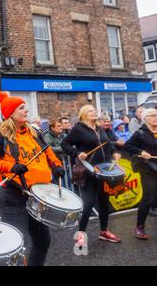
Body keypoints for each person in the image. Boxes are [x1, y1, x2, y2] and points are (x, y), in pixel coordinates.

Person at [0, 92, 64, 266]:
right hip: (13, 197)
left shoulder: (34, 132)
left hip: (37, 196)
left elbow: (46, 150)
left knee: (43, 241)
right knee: (18, 245)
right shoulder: (2, 136)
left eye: (25, 106)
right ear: (10, 113)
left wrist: (56, 165)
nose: (26, 110)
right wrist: (10, 167)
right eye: (21, 107)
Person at [61, 105, 122, 247]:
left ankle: (104, 231)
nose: (94, 112)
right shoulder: (78, 129)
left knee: (104, 202)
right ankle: (80, 235)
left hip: (104, 171)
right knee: (88, 204)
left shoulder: (100, 128)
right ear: (83, 115)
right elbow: (64, 144)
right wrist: (77, 153)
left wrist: (114, 153)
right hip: (89, 171)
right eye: (90, 111)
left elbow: (107, 144)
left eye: (95, 110)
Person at [124, 108, 157, 239]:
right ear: (145, 118)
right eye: (153, 115)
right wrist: (141, 152)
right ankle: (139, 227)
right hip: (147, 169)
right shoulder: (140, 133)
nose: (156, 117)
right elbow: (127, 146)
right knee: (148, 198)